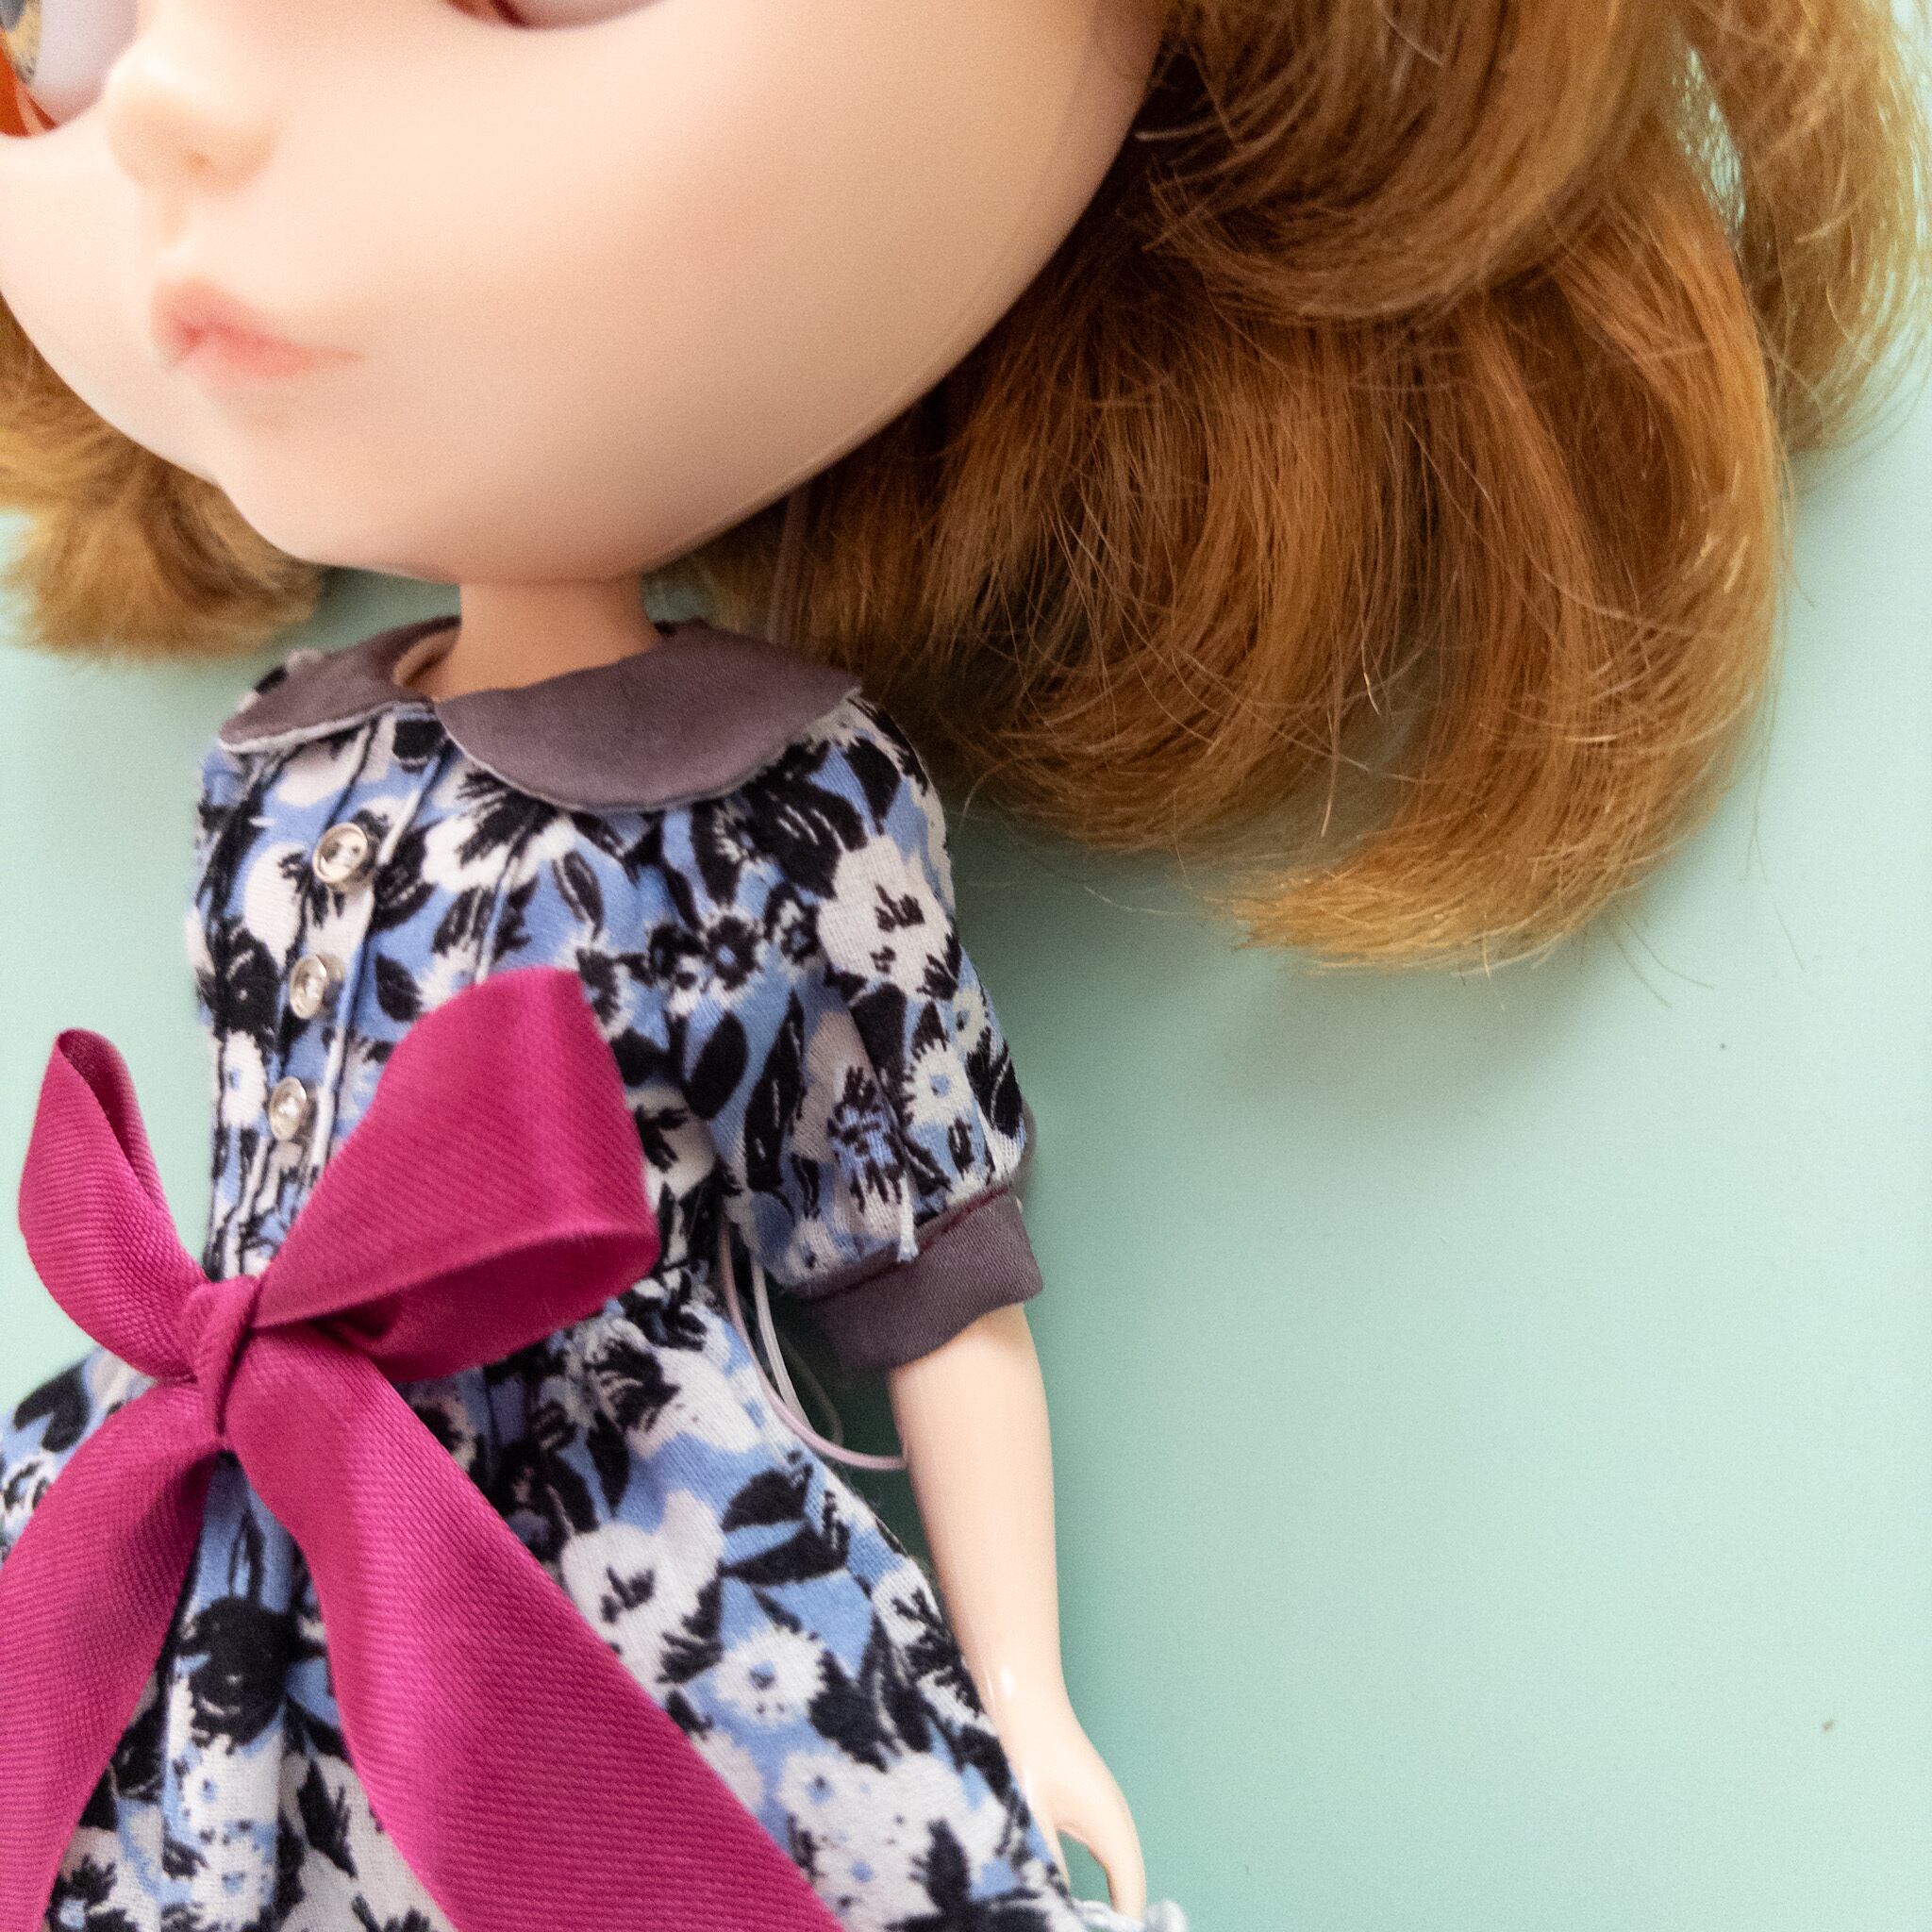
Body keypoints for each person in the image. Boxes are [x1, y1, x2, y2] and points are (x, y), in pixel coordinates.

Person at [0, 2, 1922, 1928]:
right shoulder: (276, 754)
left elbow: (922, 1268)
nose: (170, 96)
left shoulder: (773, 805)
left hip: (597, 1550)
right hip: (197, 1512)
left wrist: (1018, 1687)